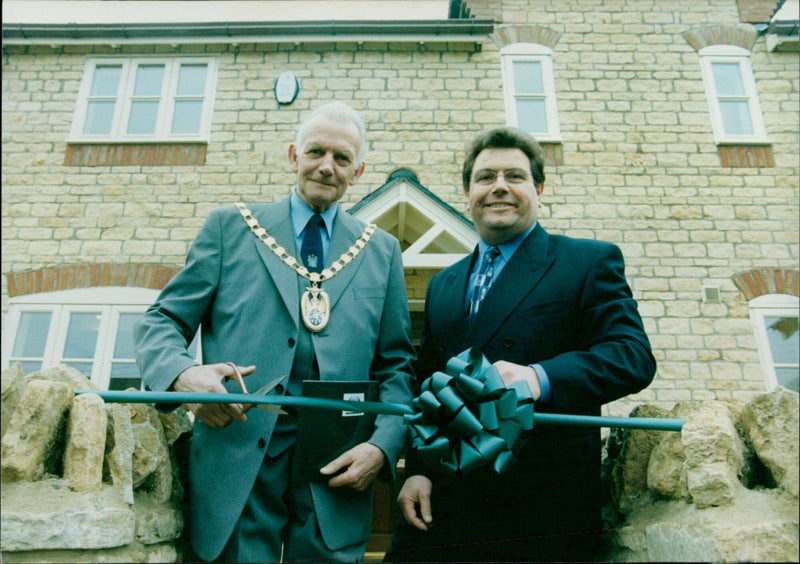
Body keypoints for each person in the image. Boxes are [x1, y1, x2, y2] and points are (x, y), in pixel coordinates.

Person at [134, 101, 415, 563]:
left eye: (342, 158)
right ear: (292, 156)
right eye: (315, 151)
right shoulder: (229, 228)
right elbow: (161, 321)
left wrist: (383, 445)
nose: (326, 166)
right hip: (237, 454)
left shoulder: (381, 251)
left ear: (358, 172)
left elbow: (397, 366)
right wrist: (184, 376)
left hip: (337, 468)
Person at [384, 127, 656, 562]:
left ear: (539, 189)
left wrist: (538, 377)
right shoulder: (443, 284)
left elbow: (632, 356)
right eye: (485, 177)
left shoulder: (587, 261)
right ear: (468, 193)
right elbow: (426, 388)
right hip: (441, 511)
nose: (499, 187)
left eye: (514, 176)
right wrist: (418, 471)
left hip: (540, 512)